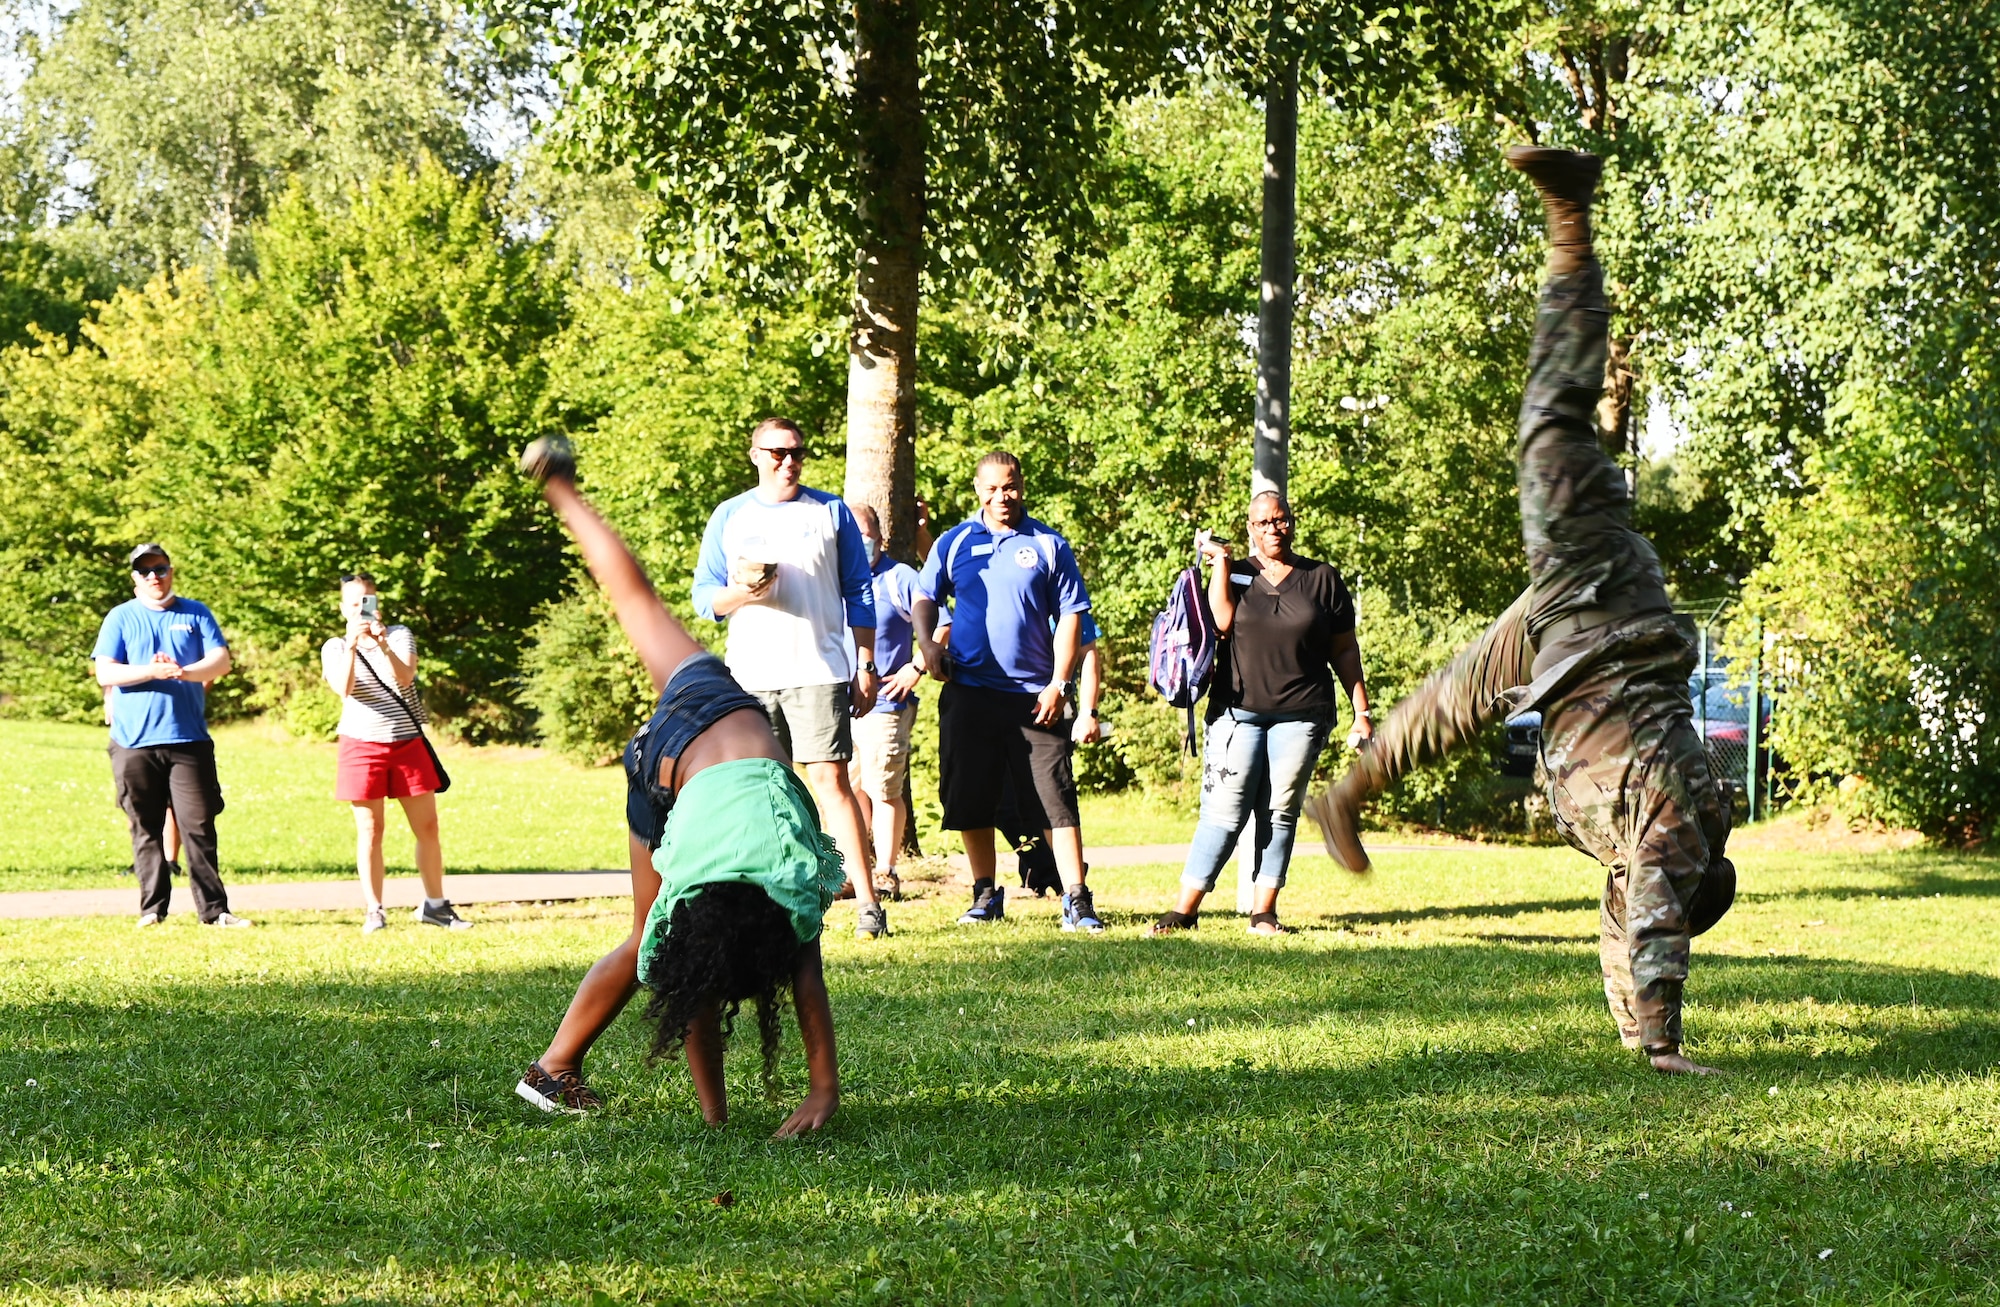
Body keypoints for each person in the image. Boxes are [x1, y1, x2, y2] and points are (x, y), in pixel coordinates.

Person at [1305, 146, 1737, 1075]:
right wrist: (1666, 1044)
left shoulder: (1644, 848)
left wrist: (1637, 1038)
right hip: (1601, 598)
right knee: (1553, 421)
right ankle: (1569, 218)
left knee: (1455, 698)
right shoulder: (1675, 817)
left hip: (1575, 638)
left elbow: (1633, 919)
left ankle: (1347, 794)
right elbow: (1656, 914)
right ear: (1691, 871)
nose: (1648, 890)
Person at [514, 436, 844, 1135]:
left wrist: (724, 1121)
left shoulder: (782, 873)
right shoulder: (788, 888)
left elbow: (705, 979)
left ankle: (555, 1066)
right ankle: (555, 1065)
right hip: (689, 758)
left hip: (699, 728)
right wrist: (822, 1091)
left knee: (637, 604)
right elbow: (805, 976)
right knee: (660, 943)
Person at [692, 418, 889, 940]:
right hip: (750, 676)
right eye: (776, 452)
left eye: (797, 452)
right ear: (754, 455)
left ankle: (867, 902)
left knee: (831, 783)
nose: (788, 461)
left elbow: (859, 591)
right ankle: (762, 902)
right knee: (760, 791)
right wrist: (744, 592)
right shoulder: (730, 515)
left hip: (818, 669)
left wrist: (865, 663)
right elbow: (703, 598)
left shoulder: (830, 512)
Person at [1147, 498, 1373, 937]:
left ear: (1293, 523)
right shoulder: (1233, 573)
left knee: (1279, 811)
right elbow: (1222, 622)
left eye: (1280, 519)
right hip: (1236, 713)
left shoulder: (1322, 578)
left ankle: (1263, 912)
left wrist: (1360, 711)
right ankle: (1185, 910)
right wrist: (1220, 564)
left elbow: (1344, 649)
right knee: (1223, 813)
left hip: (1302, 713)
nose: (1273, 528)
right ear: (1249, 526)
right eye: (1263, 522)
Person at [913, 450, 1103, 932]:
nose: (1003, 496)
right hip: (969, 692)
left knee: (1054, 799)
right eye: (993, 488)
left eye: (1011, 486)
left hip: (1036, 698)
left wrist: (1060, 684)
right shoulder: (954, 542)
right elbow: (924, 596)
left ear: (1022, 485)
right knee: (970, 799)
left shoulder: (1048, 544)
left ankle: (1077, 899)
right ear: (978, 490)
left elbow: (1073, 618)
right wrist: (926, 646)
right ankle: (984, 895)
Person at [92, 544, 251, 928]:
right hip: (133, 742)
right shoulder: (120, 617)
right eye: (145, 571)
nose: (154, 577)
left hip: (188, 739)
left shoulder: (195, 613)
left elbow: (221, 661)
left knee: (198, 825)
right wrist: (151, 671)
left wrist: (180, 671)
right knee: (145, 826)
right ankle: (152, 910)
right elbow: (107, 673)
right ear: (134, 578)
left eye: (160, 569)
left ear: (171, 571)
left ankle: (214, 911)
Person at [320, 573, 469, 933]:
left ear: (377, 603)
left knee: (428, 827)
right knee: (371, 830)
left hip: (406, 743)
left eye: (367, 601)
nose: (361, 609)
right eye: (354, 603)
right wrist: (355, 647)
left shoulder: (400, 635)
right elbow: (344, 689)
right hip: (360, 744)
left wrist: (382, 644)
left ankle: (436, 905)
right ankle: (375, 909)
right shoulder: (335, 646)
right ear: (343, 608)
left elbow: (405, 677)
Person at [845, 502, 924, 901]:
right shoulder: (836, 579)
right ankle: (853, 870)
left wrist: (917, 666)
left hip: (886, 704)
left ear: (880, 536)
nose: (862, 543)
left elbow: (941, 624)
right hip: (838, 704)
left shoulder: (900, 578)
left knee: (884, 788)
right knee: (849, 788)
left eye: (867, 534)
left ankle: (886, 871)